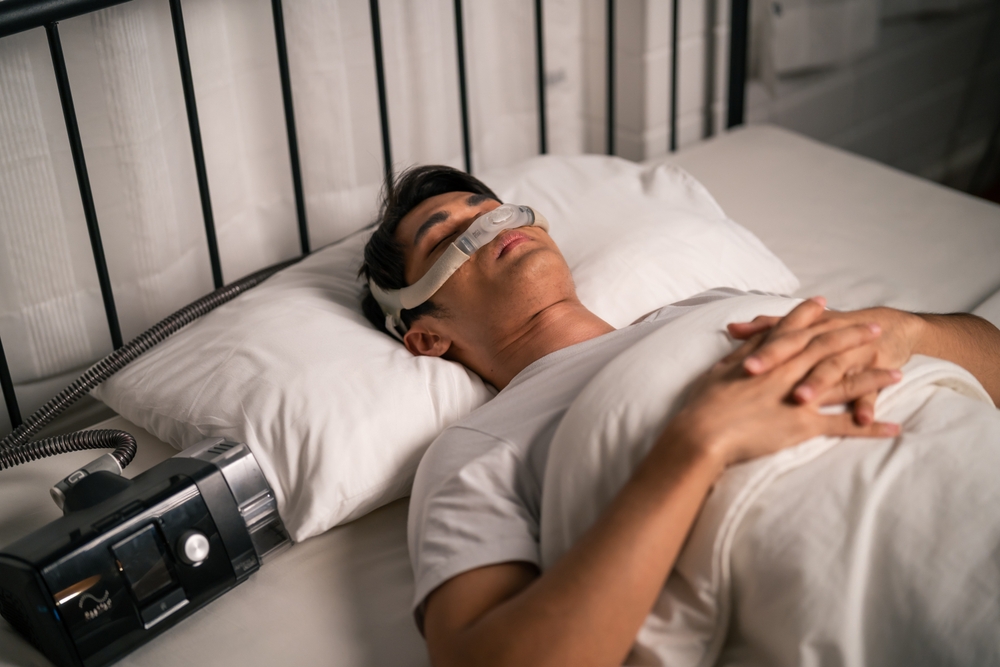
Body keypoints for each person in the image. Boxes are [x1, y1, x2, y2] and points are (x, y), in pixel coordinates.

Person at [359, 165, 1000, 667]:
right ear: (426, 337)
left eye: (492, 208)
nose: (494, 226)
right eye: (445, 236)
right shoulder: (474, 448)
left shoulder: (719, 302)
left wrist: (908, 330)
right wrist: (698, 443)